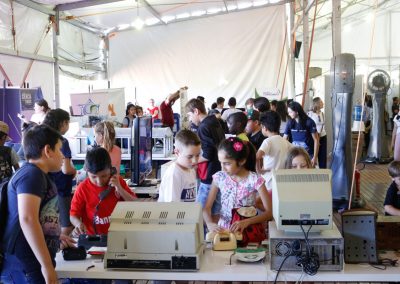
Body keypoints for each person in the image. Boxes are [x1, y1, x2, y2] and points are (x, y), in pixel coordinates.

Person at [0, 124, 68, 283]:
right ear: (47, 151)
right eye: (59, 149)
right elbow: (27, 219)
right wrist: (47, 266)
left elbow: (37, 217)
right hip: (24, 263)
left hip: (30, 262)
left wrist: (56, 234)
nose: (62, 156)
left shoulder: (39, 175)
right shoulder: (31, 174)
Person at [203, 137, 272, 233]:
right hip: (224, 231)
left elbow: (269, 213)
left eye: (227, 163)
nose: (222, 168)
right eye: (220, 163)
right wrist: (209, 223)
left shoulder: (255, 180)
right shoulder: (219, 177)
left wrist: (247, 222)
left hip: (247, 232)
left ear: (242, 161)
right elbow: (206, 208)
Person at [70, 147, 136, 236]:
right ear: (87, 172)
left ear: (111, 169)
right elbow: (73, 215)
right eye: (93, 177)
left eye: (104, 176)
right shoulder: (82, 188)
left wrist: (120, 188)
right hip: (94, 239)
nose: (99, 181)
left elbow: (135, 205)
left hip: (118, 236)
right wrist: (78, 224)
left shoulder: (118, 181)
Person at [186, 98, 225, 222]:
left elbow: (207, 154)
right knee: (215, 210)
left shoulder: (203, 127)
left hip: (209, 174)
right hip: (220, 171)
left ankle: (203, 238)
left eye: (190, 115)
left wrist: (192, 162)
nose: (190, 119)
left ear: (196, 111)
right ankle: (213, 237)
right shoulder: (215, 121)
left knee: (199, 211)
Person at [43, 109, 77, 237]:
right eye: (67, 123)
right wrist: (75, 171)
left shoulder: (42, 138)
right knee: (66, 226)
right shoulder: (62, 141)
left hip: (46, 188)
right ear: (62, 123)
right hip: (61, 189)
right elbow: (66, 169)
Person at [158, 130, 201, 202]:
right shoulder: (174, 174)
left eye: (197, 155)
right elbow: (172, 207)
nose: (195, 161)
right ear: (177, 153)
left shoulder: (191, 169)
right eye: (189, 156)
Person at [256, 111, 292, 192]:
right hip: (282, 181)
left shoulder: (268, 141)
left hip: (269, 181)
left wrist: (259, 170)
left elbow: (257, 157)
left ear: (264, 127)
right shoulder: (285, 142)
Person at [284, 101, 319, 167]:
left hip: (309, 154)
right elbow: (284, 139)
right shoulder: (289, 123)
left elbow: (316, 140)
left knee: (309, 174)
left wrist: (315, 157)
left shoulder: (309, 122)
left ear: (297, 111)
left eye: (290, 112)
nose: (289, 114)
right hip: (295, 155)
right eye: (288, 112)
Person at [308, 97, 327, 168]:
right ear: (317, 103)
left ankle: (323, 173)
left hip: (323, 136)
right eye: (321, 102)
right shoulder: (310, 114)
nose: (323, 103)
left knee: (323, 157)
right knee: (313, 156)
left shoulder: (322, 113)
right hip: (314, 137)